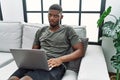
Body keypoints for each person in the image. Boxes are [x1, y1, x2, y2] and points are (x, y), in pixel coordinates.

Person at [8, 4, 84, 80]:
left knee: (26, 79)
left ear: (61, 17)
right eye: (50, 15)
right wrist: (26, 60)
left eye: (56, 16)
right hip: (38, 62)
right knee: (13, 78)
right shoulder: (41, 31)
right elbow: (34, 51)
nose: (52, 18)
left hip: (56, 65)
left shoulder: (68, 30)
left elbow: (80, 51)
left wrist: (60, 59)